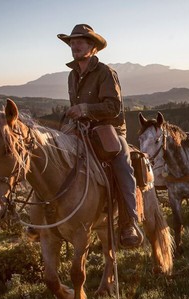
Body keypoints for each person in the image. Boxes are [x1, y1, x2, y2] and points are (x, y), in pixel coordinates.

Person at [58, 24, 142, 248]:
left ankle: (128, 222)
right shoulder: (72, 75)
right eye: (72, 42)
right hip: (82, 129)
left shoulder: (105, 72)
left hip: (109, 128)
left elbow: (113, 107)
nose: (74, 45)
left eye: (80, 42)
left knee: (121, 160)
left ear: (92, 47)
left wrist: (85, 109)